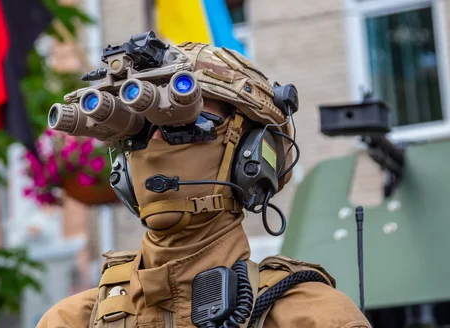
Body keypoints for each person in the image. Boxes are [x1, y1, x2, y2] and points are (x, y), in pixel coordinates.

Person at [36, 35, 371, 328]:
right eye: (137, 133)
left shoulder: (311, 317)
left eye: (185, 125)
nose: (154, 144)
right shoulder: (71, 321)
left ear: (250, 154)